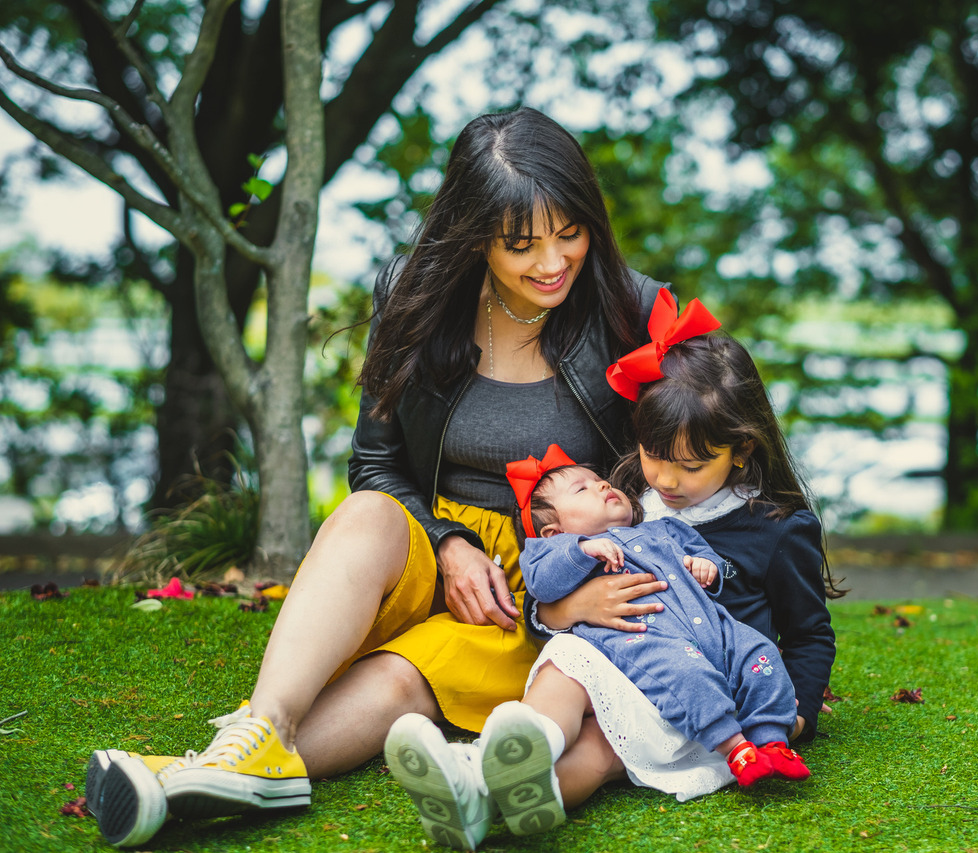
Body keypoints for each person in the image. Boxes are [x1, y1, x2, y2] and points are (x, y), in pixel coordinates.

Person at [86, 106, 672, 849]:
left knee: (403, 683)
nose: (553, 262)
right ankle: (260, 727)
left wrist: (587, 588)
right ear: (472, 232)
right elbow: (376, 461)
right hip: (431, 551)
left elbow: (685, 470)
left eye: (570, 233)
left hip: (545, 578)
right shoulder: (412, 291)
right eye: (520, 244)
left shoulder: (631, 306)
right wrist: (450, 542)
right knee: (365, 509)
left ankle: (183, 782)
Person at [382, 298, 839, 848]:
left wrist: (797, 719)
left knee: (600, 751)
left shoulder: (775, 529)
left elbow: (809, 634)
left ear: (740, 450)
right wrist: (565, 610)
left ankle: (486, 803)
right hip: (612, 660)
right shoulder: (627, 500)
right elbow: (550, 579)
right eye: (653, 455)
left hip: (700, 695)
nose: (666, 479)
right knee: (568, 668)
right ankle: (493, 770)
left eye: (690, 466)